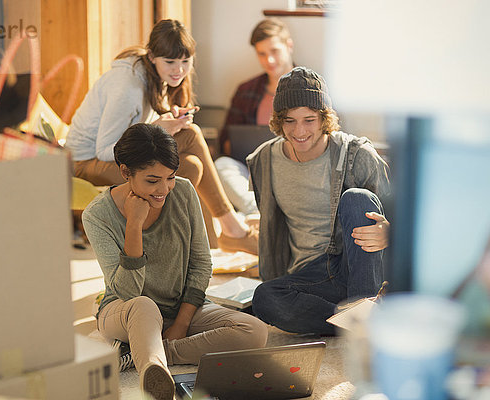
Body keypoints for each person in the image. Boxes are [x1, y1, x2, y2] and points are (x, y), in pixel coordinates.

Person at [82, 123, 268, 400]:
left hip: (179, 306)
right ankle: (153, 369)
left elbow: (201, 264)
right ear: (125, 172)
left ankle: (142, 352)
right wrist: (134, 224)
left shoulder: (183, 191)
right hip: (125, 310)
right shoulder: (97, 215)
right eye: (152, 180)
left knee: (254, 331)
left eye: (170, 177)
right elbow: (127, 293)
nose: (164, 189)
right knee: (144, 305)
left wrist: (181, 323)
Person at [67, 19, 257, 254]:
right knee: (191, 143)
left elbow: (135, 126)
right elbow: (105, 150)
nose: (179, 70)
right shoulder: (127, 87)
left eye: (185, 61)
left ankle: (213, 243)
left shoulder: (151, 75)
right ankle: (227, 234)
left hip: (116, 156)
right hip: (86, 164)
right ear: (152, 57)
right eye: (170, 62)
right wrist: (157, 127)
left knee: (191, 165)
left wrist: (168, 118)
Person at [248, 67, 391, 335]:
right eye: (289, 121)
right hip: (309, 278)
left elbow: (405, 217)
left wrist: (389, 233)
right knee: (264, 299)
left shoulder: (357, 155)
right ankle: (358, 322)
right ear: (279, 120)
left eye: (309, 120)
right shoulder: (263, 160)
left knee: (357, 199)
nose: (299, 131)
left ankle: (361, 308)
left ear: (324, 118)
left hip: (354, 267)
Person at [215, 18, 295, 216]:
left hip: (294, 175)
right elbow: (226, 143)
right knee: (222, 165)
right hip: (253, 176)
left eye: (274, 51)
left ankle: (257, 217)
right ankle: (260, 214)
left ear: (289, 46)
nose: (269, 60)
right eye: (262, 54)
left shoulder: (312, 88)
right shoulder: (245, 92)